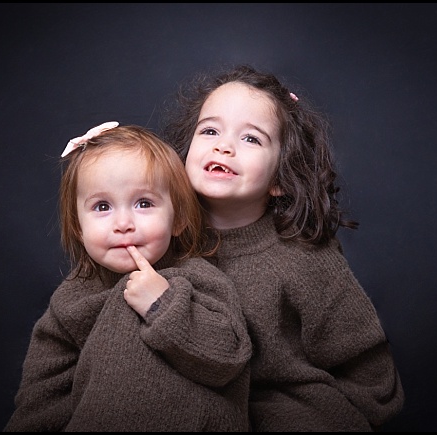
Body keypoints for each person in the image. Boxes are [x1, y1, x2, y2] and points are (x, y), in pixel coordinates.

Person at [160, 64, 405, 431]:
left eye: (251, 139)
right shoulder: (158, 240)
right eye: (209, 130)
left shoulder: (304, 259)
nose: (223, 146)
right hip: (197, 406)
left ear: (279, 179)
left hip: (287, 409)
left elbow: (370, 374)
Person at [4, 123, 252, 431]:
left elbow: (228, 358)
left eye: (144, 203)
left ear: (179, 219)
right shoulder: (72, 298)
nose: (123, 223)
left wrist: (163, 305)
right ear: (79, 228)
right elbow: (42, 397)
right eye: (102, 206)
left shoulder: (199, 279)